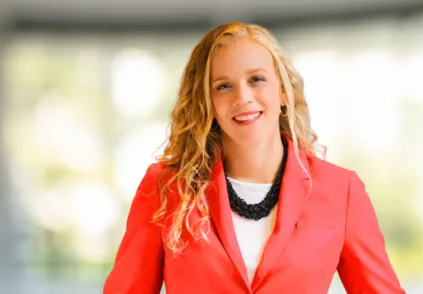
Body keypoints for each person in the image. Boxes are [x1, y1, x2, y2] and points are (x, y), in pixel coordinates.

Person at [103, 22, 406, 294]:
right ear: (206, 103)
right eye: (224, 86)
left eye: (256, 79)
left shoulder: (342, 191)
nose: (242, 97)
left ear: (283, 93)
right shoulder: (165, 186)